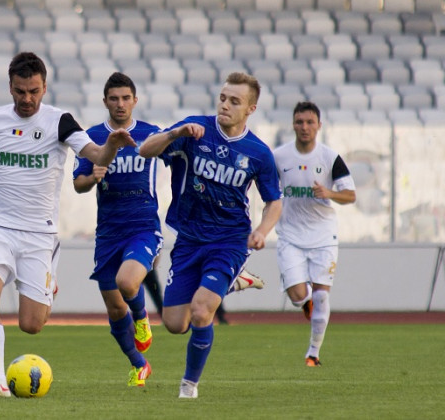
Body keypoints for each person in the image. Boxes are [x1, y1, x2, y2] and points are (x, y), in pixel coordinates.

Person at [0, 52, 135, 397]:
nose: (27, 99)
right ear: (10, 88)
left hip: (38, 234)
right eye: (20, 91)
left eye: (33, 91)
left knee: (32, 325)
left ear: (44, 87)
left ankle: (48, 285)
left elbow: (93, 155)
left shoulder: (60, 121)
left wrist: (111, 147)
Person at [139, 72, 282, 398]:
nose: (225, 105)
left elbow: (274, 201)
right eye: (222, 98)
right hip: (189, 239)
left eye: (235, 101)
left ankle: (189, 386)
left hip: (230, 240)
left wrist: (261, 230)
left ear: (250, 109)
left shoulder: (258, 153)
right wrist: (175, 133)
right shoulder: (193, 129)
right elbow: (146, 150)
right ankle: (235, 281)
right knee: (175, 323)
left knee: (203, 310)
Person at [72, 72, 161, 387]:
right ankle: (139, 364)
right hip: (108, 232)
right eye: (114, 98)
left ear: (135, 100)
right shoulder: (92, 136)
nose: (120, 104)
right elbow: (78, 185)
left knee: (127, 282)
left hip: (142, 226)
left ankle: (141, 318)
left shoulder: (151, 134)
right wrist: (93, 177)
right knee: (112, 307)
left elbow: (179, 156)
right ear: (105, 102)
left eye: (126, 98)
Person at [272, 101, 356, 367]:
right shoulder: (279, 157)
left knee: (321, 295)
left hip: (323, 235)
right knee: (298, 295)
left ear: (319, 125)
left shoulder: (330, 158)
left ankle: (313, 353)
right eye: (299, 122)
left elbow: (350, 195)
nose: (304, 127)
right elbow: (267, 189)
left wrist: (329, 193)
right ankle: (306, 304)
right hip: (290, 235)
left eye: (310, 122)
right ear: (293, 125)